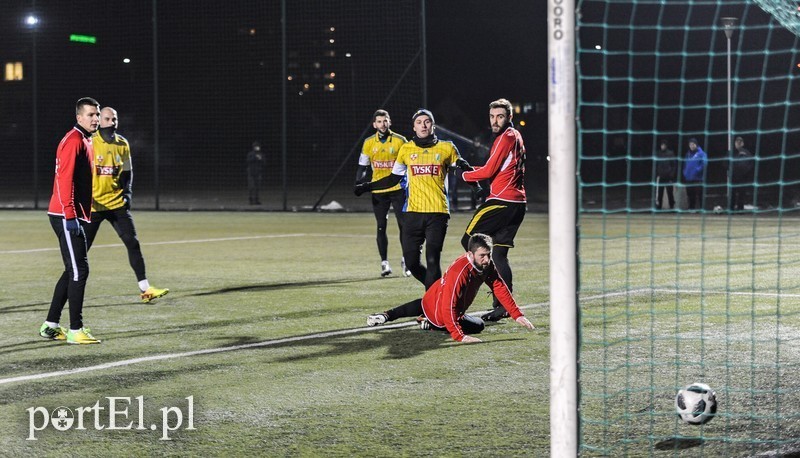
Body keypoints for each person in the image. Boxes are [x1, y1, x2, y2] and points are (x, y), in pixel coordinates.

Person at [355, 109, 475, 289]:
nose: (423, 125)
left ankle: (432, 305)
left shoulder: (447, 147)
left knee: (433, 259)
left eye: (427, 121)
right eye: (419, 122)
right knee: (411, 263)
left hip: (438, 213)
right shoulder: (406, 149)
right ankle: (438, 291)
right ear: (414, 127)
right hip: (413, 212)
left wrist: (478, 186)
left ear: (433, 125)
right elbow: (393, 178)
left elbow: (462, 167)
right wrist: (367, 186)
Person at [366, 233, 534, 343]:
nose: (487, 259)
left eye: (489, 255)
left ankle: (390, 316)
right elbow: (448, 305)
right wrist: (459, 336)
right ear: (470, 254)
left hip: (434, 298)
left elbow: (499, 286)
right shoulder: (459, 271)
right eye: (482, 255)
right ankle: (430, 324)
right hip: (442, 312)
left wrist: (517, 315)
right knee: (476, 325)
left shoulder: (485, 265)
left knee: (426, 304)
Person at [83, 107, 170, 303]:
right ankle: (69, 287)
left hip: (115, 204)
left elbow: (127, 172)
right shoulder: (89, 142)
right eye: (107, 118)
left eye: (114, 119)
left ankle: (145, 289)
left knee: (132, 242)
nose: (112, 122)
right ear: (99, 120)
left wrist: (127, 193)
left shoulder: (122, 144)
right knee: (81, 251)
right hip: (93, 206)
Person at [40, 97, 102, 344]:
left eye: (97, 114)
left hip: (74, 213)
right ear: (79, 117)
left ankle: (50, 325)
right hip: (65, 215)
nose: (95, 119)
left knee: (73, 269)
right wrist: (69, 214)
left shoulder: (86, 139)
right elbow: (63, 180)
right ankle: (76, 330)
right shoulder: (74, 140)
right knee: (80, 271)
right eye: (90, 115)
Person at [460, 98, 527, 322]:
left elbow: (489, 171)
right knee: (498, 255)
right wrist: (472, 170)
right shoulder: (516, 136)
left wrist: (463, 174)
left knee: (468, 240)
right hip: (517, 204)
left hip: (501, 202)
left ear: (509, 117)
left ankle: (465, 296)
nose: (495, 121)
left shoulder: (505, 136)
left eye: (499, 116)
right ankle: (502, 307)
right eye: (492, 116)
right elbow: (498, 169)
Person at [354, 109, 410, 277]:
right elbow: (362, 167)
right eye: (379, 121)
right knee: (381, 226)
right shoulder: (369, 142)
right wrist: (359, 183)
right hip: (378, 191)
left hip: (399, 189)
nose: (382, 124)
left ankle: (406, 261)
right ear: (374, 124)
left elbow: (409, 164)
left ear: (389, 122)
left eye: (385, 121)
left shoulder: (401, 141)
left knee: (404, 226)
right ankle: (384, 263)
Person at [729, 136, 755, 212]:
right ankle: (731, 209)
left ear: (743, 143)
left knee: (742, 194)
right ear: (735, 143)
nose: (738, 144)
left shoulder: (747, 152)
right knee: (733, 193)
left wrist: (746, 172)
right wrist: (729, 170)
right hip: (733, 176)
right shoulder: (731, 152)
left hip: (743, 177)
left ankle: (740, 209)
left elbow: (751, 163)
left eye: (740, 142)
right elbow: (725, 162)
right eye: (737, 142)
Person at [682, 137, 707, 211]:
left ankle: (702, 208)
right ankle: (691, 208)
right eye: (690, 144)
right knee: (690, 194)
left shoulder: (701, 153)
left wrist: (697, 170)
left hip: (698, 178)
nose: (691, 146)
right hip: (689, 178)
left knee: (700, 194)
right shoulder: (688, 154)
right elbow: (685, 164)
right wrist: (685, 172)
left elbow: (704, 164)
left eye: (693, 144)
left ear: (696, 145)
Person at [654, 139, 677, 210]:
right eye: (661, 145)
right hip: (661, 176)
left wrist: (672, 175)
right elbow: (656, 165)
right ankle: (659, 206)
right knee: (659, 193)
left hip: (668, 177)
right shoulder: (658, 154)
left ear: (666, 146)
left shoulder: (670, 153)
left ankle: (672, 206)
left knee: (670, 193)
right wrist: (657, 173)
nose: (662, 146)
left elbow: (674, 165)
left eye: (664, 145)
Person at [247, 141, 264, 205]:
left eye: (258, 146)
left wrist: (261, 159)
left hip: (258, 172)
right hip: (251, 172)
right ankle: (251, 200)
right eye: (256, 146)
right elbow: (248, 161)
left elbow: (264, 163)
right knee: (251, 187)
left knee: (257, 187)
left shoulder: (261, 154)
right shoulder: (250, 154)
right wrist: (255, 157)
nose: (257, 148)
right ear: (253, 147)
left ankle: (256, 200)